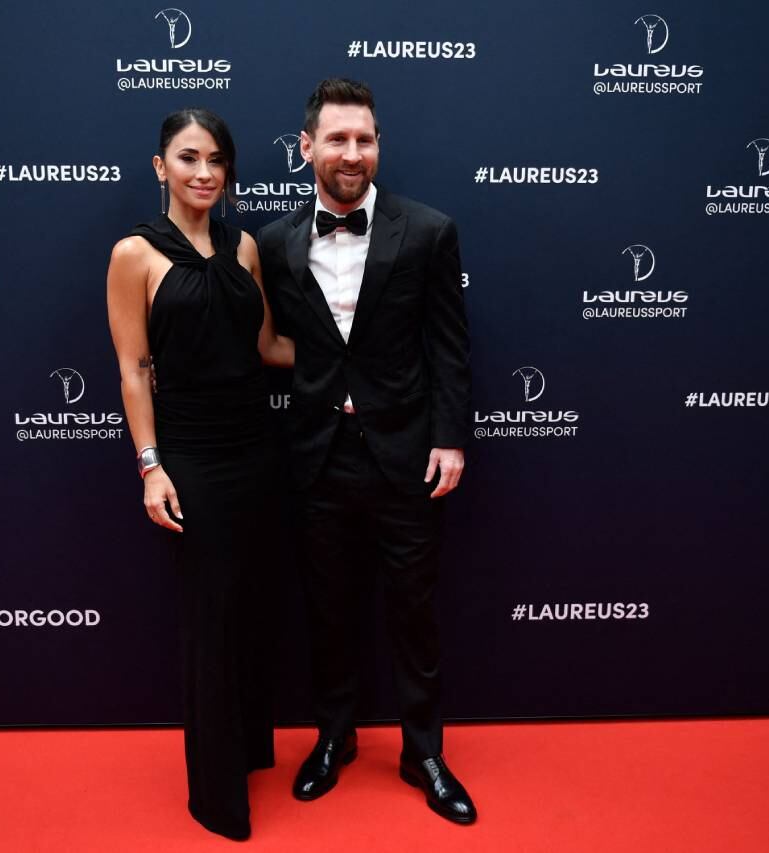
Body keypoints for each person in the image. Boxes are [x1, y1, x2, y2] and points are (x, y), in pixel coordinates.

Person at [256, 79, 476, 824]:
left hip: (407, 455)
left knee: (415, 612)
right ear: (307, 146)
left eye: (367, 139)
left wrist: (450, 436)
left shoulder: (429, 231)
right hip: (318, 456)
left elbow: (448, 345)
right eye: (339, 138)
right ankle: (334, 738)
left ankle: (425, 752)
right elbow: (268, 343)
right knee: (329, 610)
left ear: (378, 145)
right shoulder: (276, 243)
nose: (354, 153)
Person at [106, 108, 294, 841]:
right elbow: (132, 368)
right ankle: (216, 797)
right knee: (210, 620)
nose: (205, 171)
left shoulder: (243, 245)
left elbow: (269, 345)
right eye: (188, 157)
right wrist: (150, 466)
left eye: (217, 158)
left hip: (257, 448)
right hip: (190, 455)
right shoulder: (134, 254)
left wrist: (353, 365)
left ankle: (246, 751)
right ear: (160, 167)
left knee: (251, 609)